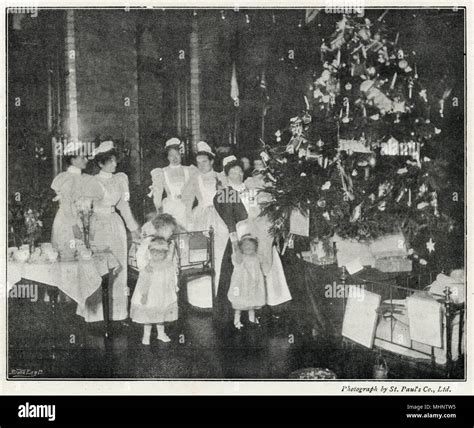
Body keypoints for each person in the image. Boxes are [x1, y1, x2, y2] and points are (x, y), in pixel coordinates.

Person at [213, 155, 292, 322]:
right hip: (242, 237)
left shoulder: (250, 187)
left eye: (240, 172)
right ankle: (241, 312)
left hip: (259, 233)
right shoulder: (225, 193)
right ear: (227, 175)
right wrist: (235, 244)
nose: (238, 175)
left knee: (266, 265)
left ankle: (268, 305)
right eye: (233, 173)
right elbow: (230, 222)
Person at [78, 141, 140, 322]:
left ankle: (117, 313)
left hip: (116, 225)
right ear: (100, 164)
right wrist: (84, 234)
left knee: (119, 267)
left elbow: (123, 206)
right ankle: (96, 314)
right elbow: (83, 210)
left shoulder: (120, 179)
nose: (115, 164)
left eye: (115, 161)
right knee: (99, 267)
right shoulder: (92, 182)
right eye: (110, 162)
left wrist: (133, 228)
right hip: (98, 227)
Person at [180, 142, 228, 308]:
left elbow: (228, 198)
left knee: (220, 253)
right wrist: (187, 222)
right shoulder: (194, 178)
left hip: (219, 217)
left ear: (212, 161)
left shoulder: (221, 177)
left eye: (205, 162)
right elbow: (186, 202)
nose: (201, 165)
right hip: (200, 216)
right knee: (201, 255)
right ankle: (201, 299)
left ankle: (219, 296)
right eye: (199, 162)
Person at [130, 237, 178, 345]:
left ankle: (161, 333)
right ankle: (146, 335)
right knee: (148, 316)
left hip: (164, 294)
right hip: (151, 294)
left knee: (161, 315)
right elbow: (144, 282)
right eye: (155, 254)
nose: (158, 256)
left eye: (161, 254)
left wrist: (174, 287)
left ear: (165, 253)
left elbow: (172, 277)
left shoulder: (168, 264)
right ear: (150, 253)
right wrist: (144, 295)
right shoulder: (148, 267)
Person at [50, 142, 90, 257]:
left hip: (78, 217)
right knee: (69, 254)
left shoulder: (80, 177)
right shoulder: (68, 178)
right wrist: (74, 226)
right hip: (68, 221)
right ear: (73, 160)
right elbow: (66, 203)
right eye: (82, 157)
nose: (86, 160)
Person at [150, 138, 196, 230]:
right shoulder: (162, 172)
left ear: (181, 154)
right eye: (171, 155)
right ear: (167, 157)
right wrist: (159, 211)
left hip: (186, 208)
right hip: (170, 208)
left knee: (186, 234)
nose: (174, 158)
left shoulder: (189, 170)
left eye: (177, 154)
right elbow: (157, 196)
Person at [228, 234, 267, 329]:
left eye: (251, 245)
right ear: (241, 247)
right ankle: (237, 321)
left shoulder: (256, 257)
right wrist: (235, 244)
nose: (248, 247)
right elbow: (236, 255)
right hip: (241, 285)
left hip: (253, 285)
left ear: (255, 247)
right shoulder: (240, 257)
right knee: (239, 305)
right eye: (245, 245)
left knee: (252, 304)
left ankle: (251, 320)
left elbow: (260, 267)